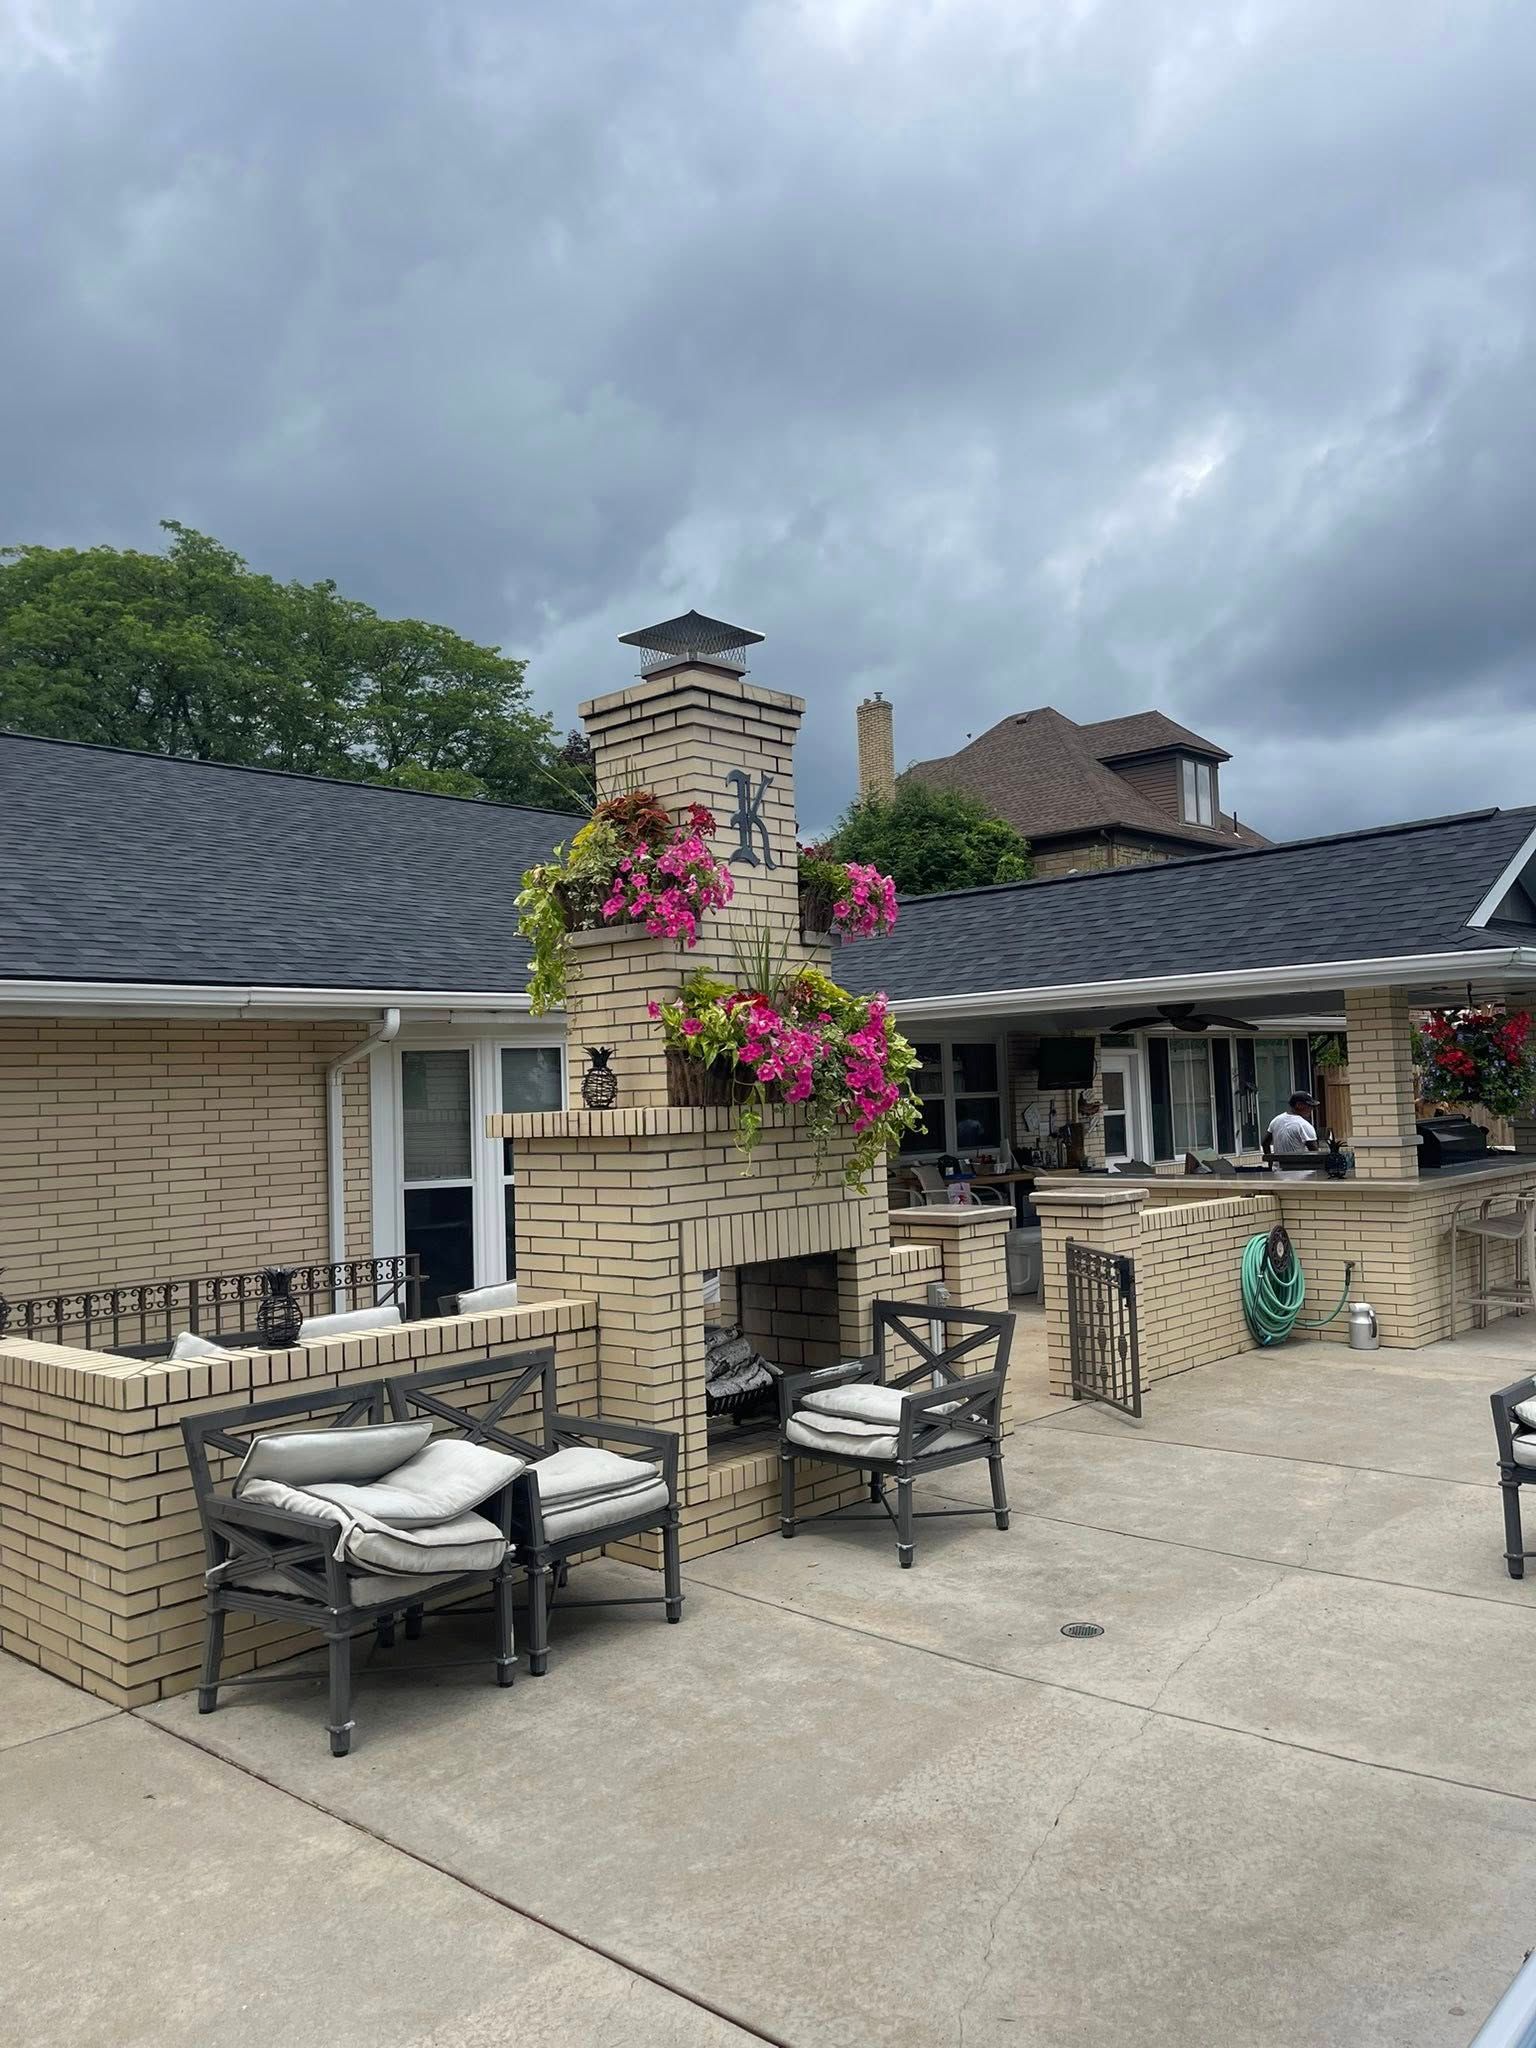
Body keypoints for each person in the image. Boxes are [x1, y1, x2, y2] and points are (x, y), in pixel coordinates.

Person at [1264, 1091, 1323, 1170]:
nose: (1311, 1109)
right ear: (1298, 1105)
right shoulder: (1304, 1125)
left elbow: (1265, 1143)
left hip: (1277, 1172)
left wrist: (1271, 1164)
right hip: (1300, 1173)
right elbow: (1315, 1154)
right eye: (1309, 1106)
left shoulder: (1276, 1120)